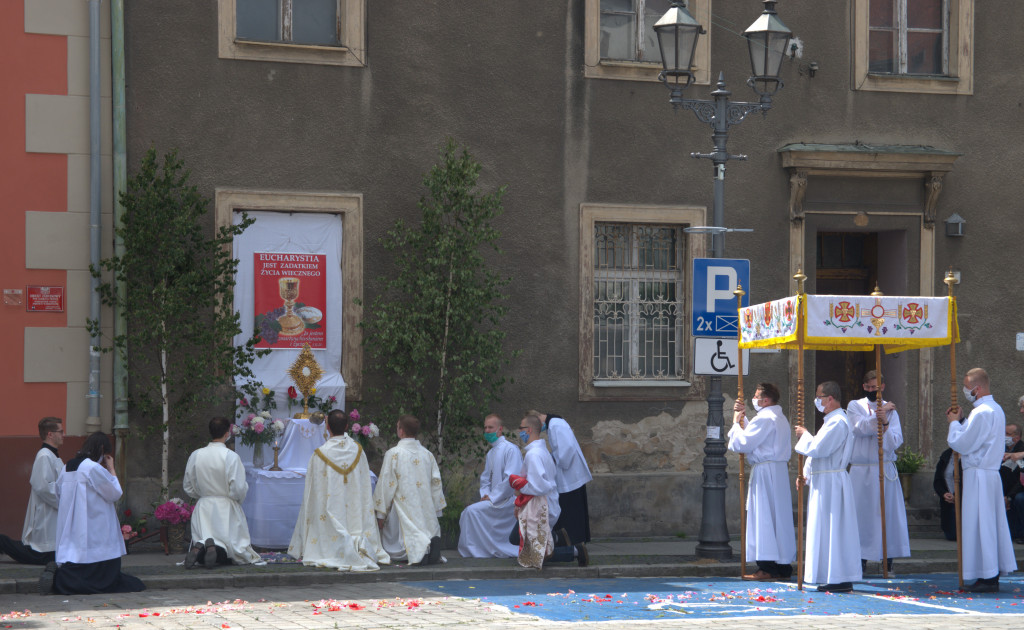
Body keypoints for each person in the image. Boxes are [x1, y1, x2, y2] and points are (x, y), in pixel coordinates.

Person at [39, 432, 145, 595]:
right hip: (95, 522)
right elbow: (115, 493)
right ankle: (59, 580)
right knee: (100, 561)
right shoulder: (92, 468)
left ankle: (59, 576)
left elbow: (58, 492)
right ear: (102, 449)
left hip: (72, 524)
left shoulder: (67, 467)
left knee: (77, 558)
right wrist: (111, 468)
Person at [289, 409, 389, 571]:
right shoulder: (358, 451)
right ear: (347, 426)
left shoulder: (320, 454)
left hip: (329, 512)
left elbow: (312, 493)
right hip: (354, 510)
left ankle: (331, 545)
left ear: (327, 427)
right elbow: (364, 485)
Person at [946, 367, 1018, 592]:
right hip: (988, 475)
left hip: (979, 474)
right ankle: (988, 573)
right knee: (988, 524)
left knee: (981, 525)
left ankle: (987, 575)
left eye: (967, 388)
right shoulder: (995, 409)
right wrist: (961, 422)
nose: (966, 392)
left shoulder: (982, 412)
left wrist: (953, 423)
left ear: (977, 388)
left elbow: (963, 443)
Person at [794, 381, 861, 593]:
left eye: (819, 397)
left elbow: (818, 448)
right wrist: (805, 473)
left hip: (832, 483)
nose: (817, 401)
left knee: (835, 531)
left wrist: (804, 434)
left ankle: (839, 577)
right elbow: (818, 452)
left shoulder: (838, 422)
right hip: (824, 481)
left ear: (830, 399)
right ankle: (830, 574)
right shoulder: (830, 421)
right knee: (826, 530)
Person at [728, 382, 796, 581]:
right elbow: (758, 437)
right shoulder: (779, 417)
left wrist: (735, 423)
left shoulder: (766, 418)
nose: (754, 399)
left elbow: (744, 443)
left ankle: (766, 566)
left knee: (764, 516)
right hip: (778, 471)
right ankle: (782, 566)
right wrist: (745, 419)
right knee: (778, 519)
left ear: (766, 399)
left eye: (757, 396)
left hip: (766, 472)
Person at [846, 371, 910, 574]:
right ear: (864, 387)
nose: (873, 391)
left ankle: (887, 560)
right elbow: (858, 428)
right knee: (861, 517)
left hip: (884, 468)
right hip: (861, 470)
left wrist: (885, 421)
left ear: (883, 387)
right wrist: (878, 414)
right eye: (869, 387)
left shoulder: (892, 412)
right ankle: (860, 560)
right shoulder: (854, 406)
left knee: (886, 516)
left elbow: (894, 442)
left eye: (877, 387)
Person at [182, 417, 261, 569]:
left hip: (204, 506)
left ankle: (201, 547)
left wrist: (203, 496)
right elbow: (238, 487)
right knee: (233, 552)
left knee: (205, 537)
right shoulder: (231, 456)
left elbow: (188, 485)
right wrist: (236, 500)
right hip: (226, 506)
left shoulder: (196, 455)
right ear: (227, 433)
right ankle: (216, 548)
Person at [373, 415, 446, 565]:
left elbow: (386, 484)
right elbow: (436, 483)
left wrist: (381, 514)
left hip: (402, 508)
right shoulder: (428, 454)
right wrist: (436, 511)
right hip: (425, 508)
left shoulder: (393, 454)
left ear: (401, 431)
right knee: (424, 528)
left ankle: (417, 551)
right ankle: (428, 545)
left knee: (395, 546)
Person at [0, 417, 64, 565]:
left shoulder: (53, 455)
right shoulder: (44, 456)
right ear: (50, 434)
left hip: (52, 513)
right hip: (46, 513)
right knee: (39, 555)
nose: (63, 434)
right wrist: (64, 499)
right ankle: (2, 542)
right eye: (60, 431)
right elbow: (43, 487)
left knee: (45, 554)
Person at [458, 414, 523, 558]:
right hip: (494, 499)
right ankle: (478, 549)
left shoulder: (510, 450)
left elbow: (511, 479)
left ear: (499, 430)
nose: (487, 431)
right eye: (485, 427)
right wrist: (485, 495)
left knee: (471, 512)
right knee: (468, 512)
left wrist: (492, 497)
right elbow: (485, 479)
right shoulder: (491, 453)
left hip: (507, 500)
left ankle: (475, 550)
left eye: (490, 427)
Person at [533, 410, 592, 560]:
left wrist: (555, 460)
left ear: (539, 420)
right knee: (571, 510)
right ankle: (571, 541)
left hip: (570, 476)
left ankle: (574, 543)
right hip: (569, 475)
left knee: (571, 511)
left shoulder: (555, 425)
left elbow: (566, 451)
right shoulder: (554, 424)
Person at [933, 447, 960, 541]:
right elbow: (938, 479)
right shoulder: (946, 455)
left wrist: (957, 495)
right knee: (951, 535)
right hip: (948, 501)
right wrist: (943, 493)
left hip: (964, 501)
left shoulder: (969, 456)